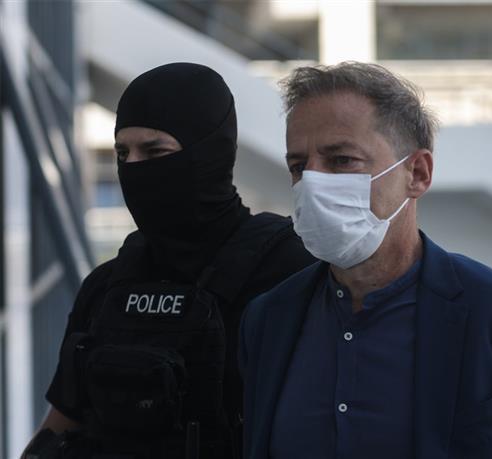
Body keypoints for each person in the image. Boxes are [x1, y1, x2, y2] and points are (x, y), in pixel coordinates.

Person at [238, 62, 492, 459]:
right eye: (298, 167)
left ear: (417, 173)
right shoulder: (268, 319)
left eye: (341, 160)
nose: (313, 182)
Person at [21, 62, 315, 459]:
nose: (134, 169)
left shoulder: (290, 272)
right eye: (122, 153)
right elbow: (57, 429)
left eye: (155, 151)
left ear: (209, 153)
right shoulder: (106, 286)